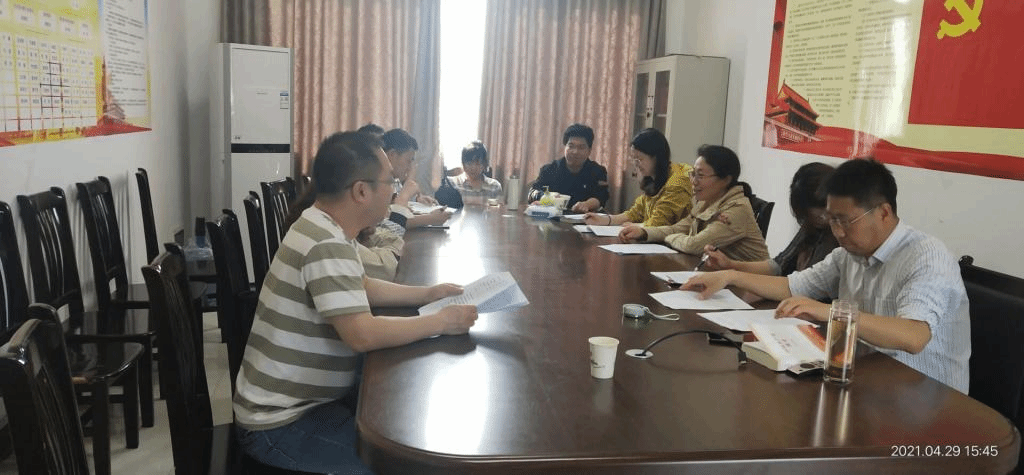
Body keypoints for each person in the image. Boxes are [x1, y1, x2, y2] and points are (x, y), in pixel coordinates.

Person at [233, 131, 478, 473]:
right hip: (279, 424)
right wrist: (440, 322)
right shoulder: (325, 242)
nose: (394, 191)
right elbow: (361, 334)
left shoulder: (324, 225)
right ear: (361, 191)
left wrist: (427, 293)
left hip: (302, 405)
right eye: (390, 182)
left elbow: (361, 285)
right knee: (394, 464)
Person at [681, 159, 970, 393]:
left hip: (926, 403)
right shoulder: (849, 254)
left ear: (883, 212)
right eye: (832, 220)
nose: (838, 232)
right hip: (865, 381)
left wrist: (831, 313)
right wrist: (730, 276)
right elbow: (790, 286)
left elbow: (914, 336)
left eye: (845, 221)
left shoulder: (926, 257)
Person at [619, 144, 770, 262]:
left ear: (726, 179)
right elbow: (677, 228)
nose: (694, 182)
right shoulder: (706, 202)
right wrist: (644, 233)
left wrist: (668, 238)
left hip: (748, 286)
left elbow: (694, 245)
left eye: (700, 176)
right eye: (693, 174)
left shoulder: (737, 210)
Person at [702, 162, 838, 275]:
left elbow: (806, 286)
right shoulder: (811, 227)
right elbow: (779, 264)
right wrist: (730, 265)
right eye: (811, 214)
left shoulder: (840, 240)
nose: (823, 217)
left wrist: (733, 273)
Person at [583, 128, 693, 227]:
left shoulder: (677, 182)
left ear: (657, 157)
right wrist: (605, 220)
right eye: (633, 159)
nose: (636, 165)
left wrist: (636, 227)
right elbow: (635, 213)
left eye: (639, 159)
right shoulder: (651, 178)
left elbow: (659, 223)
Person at [380, 128, 452, 233]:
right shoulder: (375, 183)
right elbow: (388, 227)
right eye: (408, 161)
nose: (410, 167)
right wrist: (430, 218)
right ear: (392, 155)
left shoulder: (394, 181)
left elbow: (395, 213)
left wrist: (417, 199)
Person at [528, 123, 609, 212]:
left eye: (581, 147)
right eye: (571, 146)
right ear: (565, 147)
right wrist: (544, 197)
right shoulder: (549, 170)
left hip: (583, 217)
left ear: (589, 151)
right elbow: (532, 192)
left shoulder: (598, 171)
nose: (575, 151)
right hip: (552, 217)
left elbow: (601, 197)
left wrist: (586, 204)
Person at [450, 140, 503, 205]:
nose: (473, 168)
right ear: (463, 164)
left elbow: (499, 209)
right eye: (469, 163)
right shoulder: (453, 184)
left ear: (484, 164)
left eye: (477, 163)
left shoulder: (494, 186)